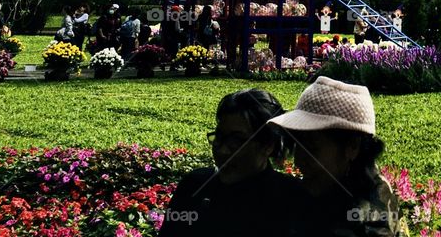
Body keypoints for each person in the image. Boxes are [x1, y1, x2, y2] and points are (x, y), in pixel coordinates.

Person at [269, 76, 406, 237]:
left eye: (312, 148)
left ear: (352, 146)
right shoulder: (346, 184)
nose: (299, 161)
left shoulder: (367, 225)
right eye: (297, 145)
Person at [158, 89, 305, 236]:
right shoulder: (194, 186)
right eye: (219, 138)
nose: (222, 151)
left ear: (267, 145)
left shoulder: (291, 200)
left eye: (236, 141)